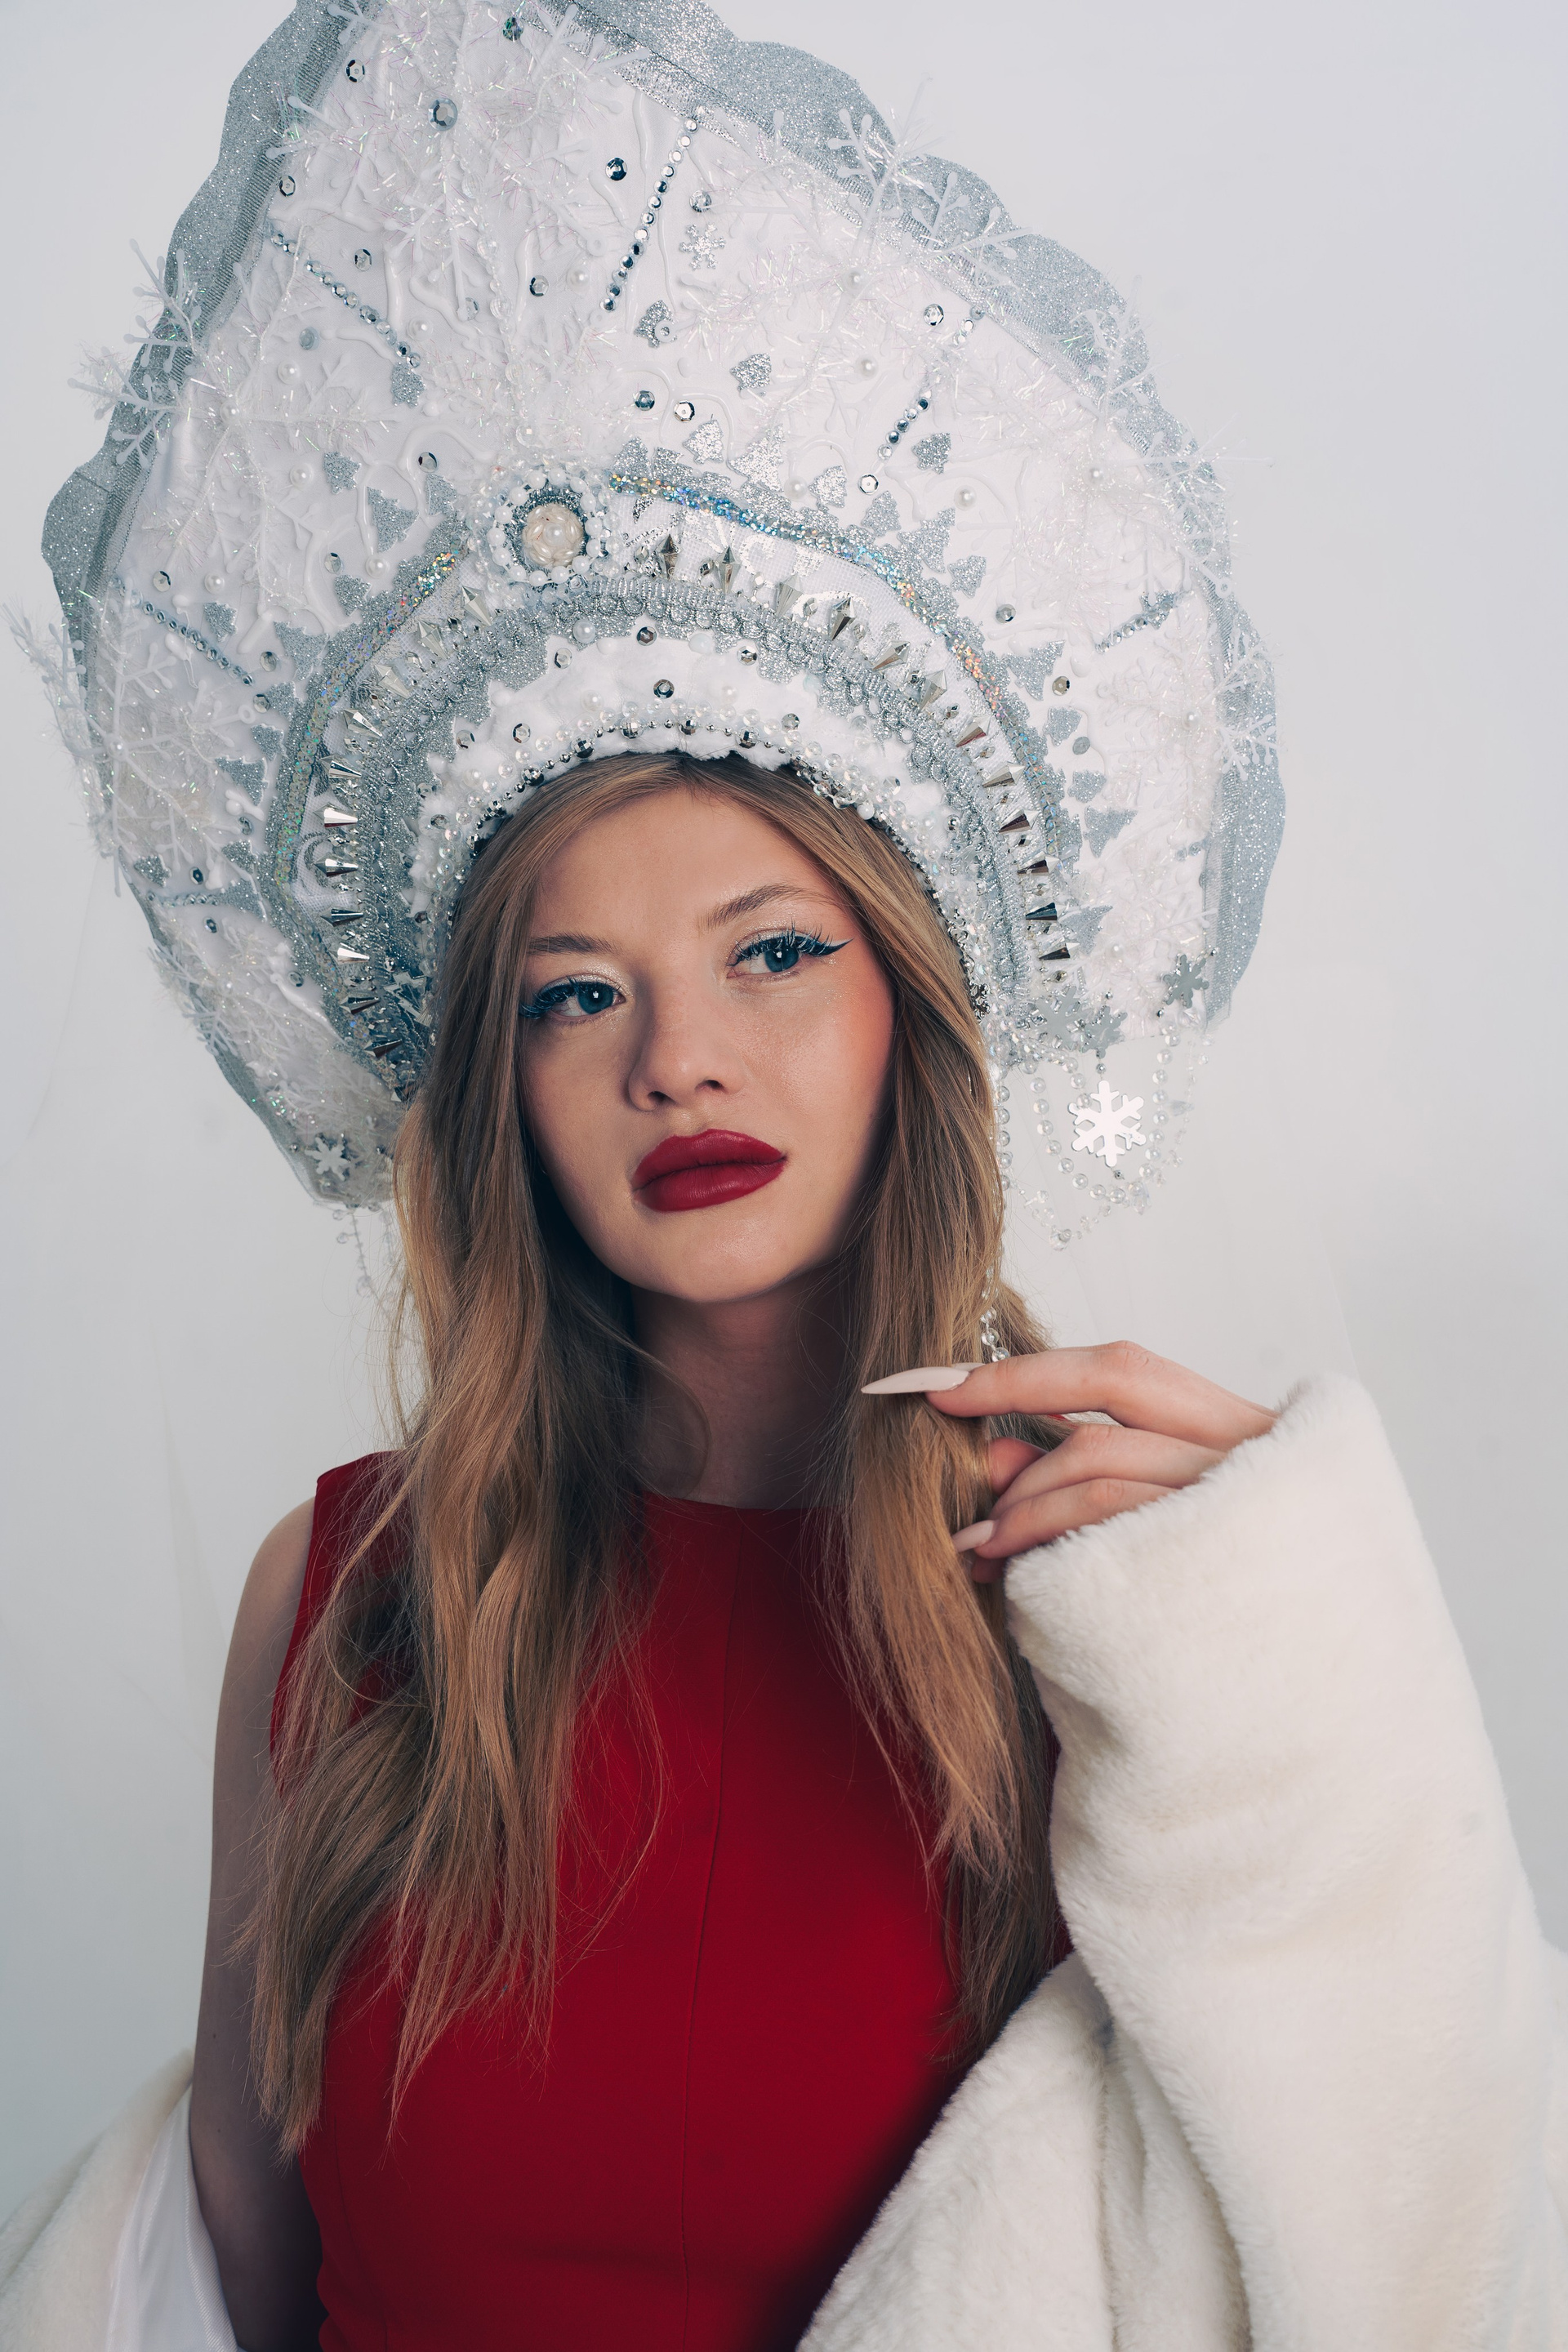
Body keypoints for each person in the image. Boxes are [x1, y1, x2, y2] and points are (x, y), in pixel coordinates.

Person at [3, 0, 1564, 2344]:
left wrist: (1285, 1647)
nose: (678, 1059)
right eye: (575, 993)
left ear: (905, 1012)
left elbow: (1408, 2233)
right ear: (498, 1095)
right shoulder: (342, 1596)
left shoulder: (1103, 1586)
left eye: (769, 951)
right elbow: (216, 2279)